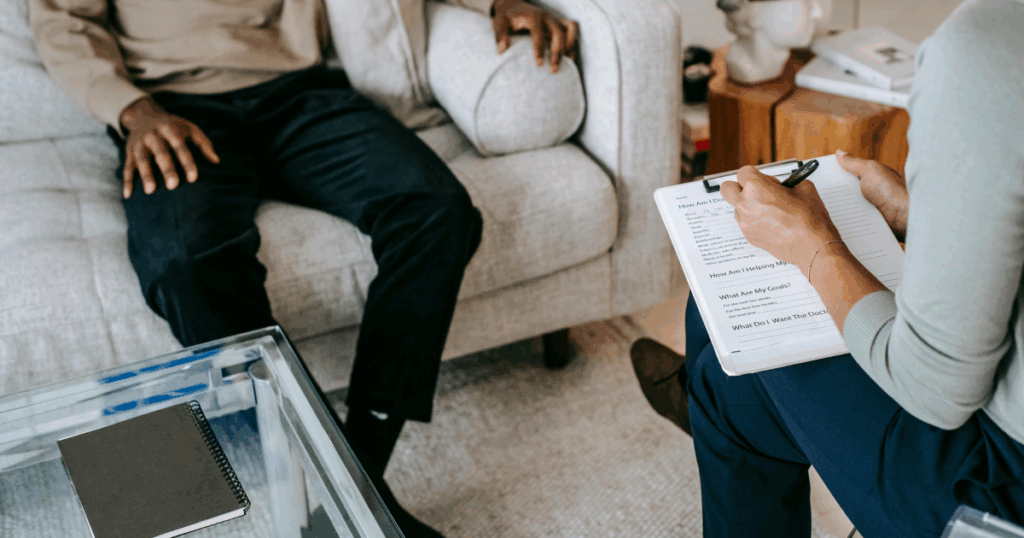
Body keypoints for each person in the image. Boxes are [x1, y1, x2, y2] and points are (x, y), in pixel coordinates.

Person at [29, 0, 579, 536]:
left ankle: (352, 474)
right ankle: (354, 497)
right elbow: (62, 20)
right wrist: (134, 111)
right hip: (169, 107)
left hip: (300, 93)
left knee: (436, 213)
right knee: (183, 265)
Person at [630, 0, 1024, 536]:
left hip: (999, 493)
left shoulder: (988, 47)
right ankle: (721, 411)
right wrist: (934, 216)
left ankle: (715, 411)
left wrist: (813, 246)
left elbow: (934, 387)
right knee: (727, 343)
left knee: (735, 354)